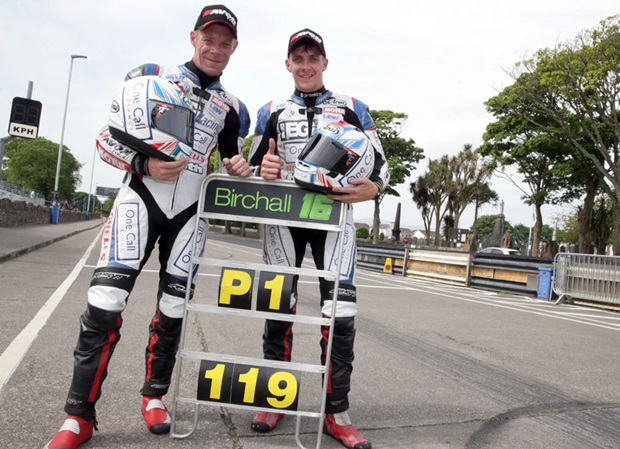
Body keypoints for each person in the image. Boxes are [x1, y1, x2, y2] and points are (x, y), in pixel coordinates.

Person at [45, 5, 251, 449]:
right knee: (104, 302)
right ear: (192, 37)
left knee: (174, 310)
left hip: (191, 214)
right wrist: (145, 163)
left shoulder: (233, 106)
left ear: (234, 47)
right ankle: (77, 416)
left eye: (225, 42)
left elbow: (229, 157)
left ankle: (154, 397)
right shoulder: (151, 78)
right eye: (208, 38)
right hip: (140, 201)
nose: (215, 48)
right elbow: (104, 139)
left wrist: (237, 165)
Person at [247, 28, 390, 449]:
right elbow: (253, 167)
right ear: (287, 64)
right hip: (283, 221)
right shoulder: (269, 110)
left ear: (325, 63)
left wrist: (375, 187)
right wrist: (264, 170)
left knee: (340, 313)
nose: (306, 65)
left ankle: (336, 411)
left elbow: (381, 164)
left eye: (314, 58)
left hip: (335, 219)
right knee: (280, 307)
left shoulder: (353, 107)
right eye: (298, 58)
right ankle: (276, 400)